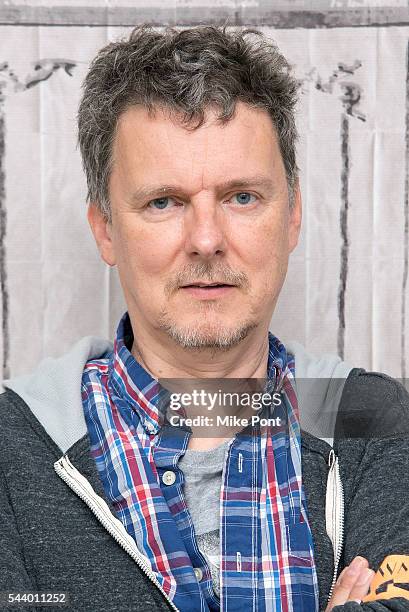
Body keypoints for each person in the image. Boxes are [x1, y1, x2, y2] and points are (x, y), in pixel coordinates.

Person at [1, 23, 409, 612]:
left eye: (242, 196)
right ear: (106, 229)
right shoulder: (14, 448)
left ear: (292, 216)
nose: (207, 240)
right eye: (163, 202)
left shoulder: (376, 423)